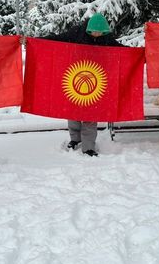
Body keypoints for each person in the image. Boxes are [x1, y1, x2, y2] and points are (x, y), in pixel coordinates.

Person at [45, 12, 123, 157]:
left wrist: (138, 55)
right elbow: (57, 39)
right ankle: (75, 139)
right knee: (72, 111)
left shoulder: (106, 37)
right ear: (89, 28)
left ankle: (88, 147)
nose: (97, 35)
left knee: (90, 114)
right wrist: (34, 41)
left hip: (95, 80)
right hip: (75, 76)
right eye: (95, 32)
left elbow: (121, 50)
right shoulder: (77, 32)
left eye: (100, 32)